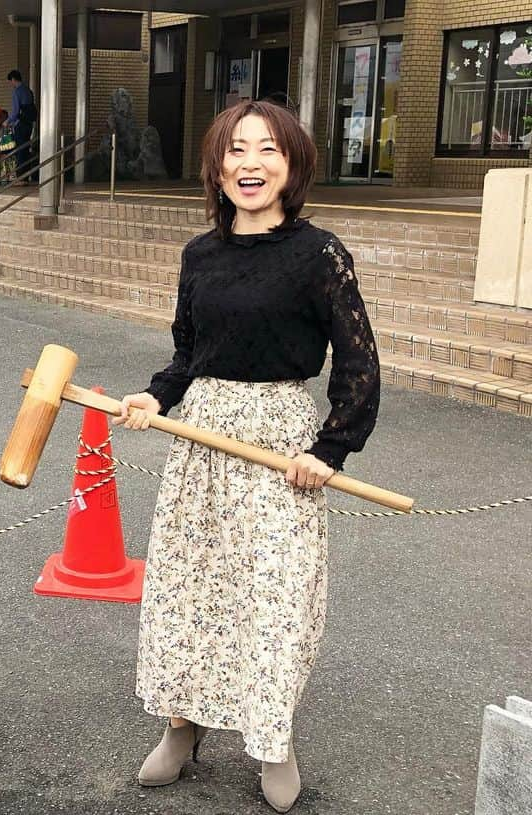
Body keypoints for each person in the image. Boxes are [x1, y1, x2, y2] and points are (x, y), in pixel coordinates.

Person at [113, 99, 379, 813]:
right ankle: (183, 725)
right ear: (217, 165)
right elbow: (187, 353)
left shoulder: (318, 253)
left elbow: (359, 364)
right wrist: (153, 398)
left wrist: (329, 449)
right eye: (236, 149)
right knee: (192, 591)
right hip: (204, 441)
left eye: (267, 149)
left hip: (280, 447)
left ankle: (272, 737)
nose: (250, 163)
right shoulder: (200, 255)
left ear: (291, 164)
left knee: (275, 598)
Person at [6, 70, 37, 181]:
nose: (11, 84)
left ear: (13, 79)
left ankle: (20, 177)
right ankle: (26, 175)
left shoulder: (17, 92)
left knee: (19, 150)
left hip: (20, 124)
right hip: (29, 124)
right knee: (25, 149)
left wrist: (8, 121)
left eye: (11, 82)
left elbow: (15, 112)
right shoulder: (28, 91)